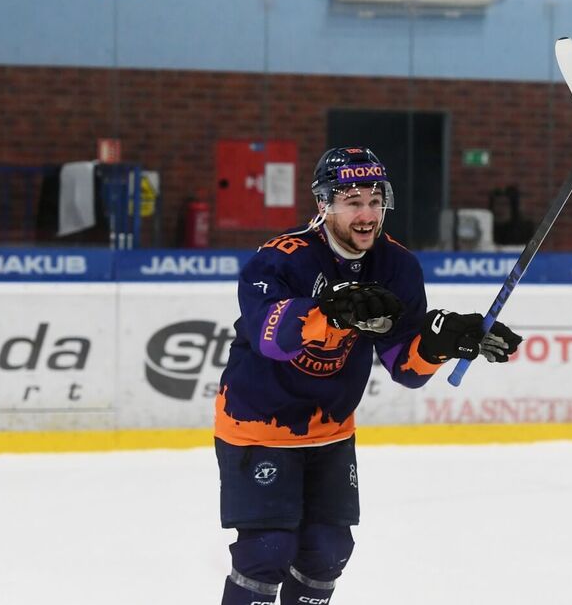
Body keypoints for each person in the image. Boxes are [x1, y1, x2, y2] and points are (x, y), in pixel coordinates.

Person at [214, 146, 522, 605]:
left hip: (332, 432)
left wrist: (442, 342)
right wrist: (329, 314)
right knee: (267, 550)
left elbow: (406, 368)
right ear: (324, 204)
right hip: (258, 424)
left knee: (327, 552)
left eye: (376, 200)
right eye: (353, 200)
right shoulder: (282, 258)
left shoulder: (396, 265)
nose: (367, 214)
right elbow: (268, 336)